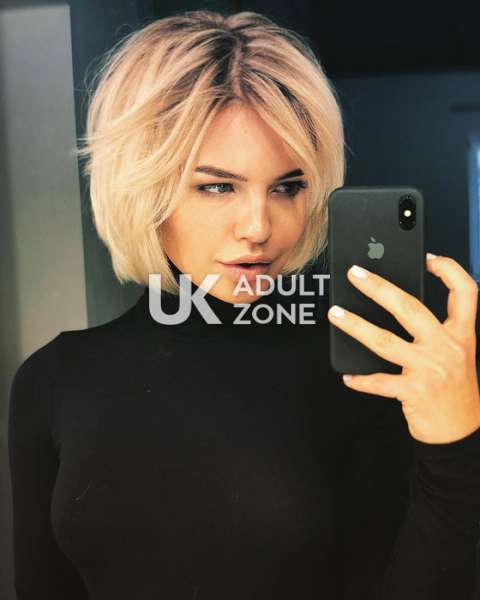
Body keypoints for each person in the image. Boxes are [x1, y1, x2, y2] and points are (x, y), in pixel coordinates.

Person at [8, 9, 480, 600]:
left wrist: (455, 444)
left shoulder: (357, 372)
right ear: (143, 186)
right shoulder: (52, 381)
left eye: (287, 187)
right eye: (218, 186)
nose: (259, 227)